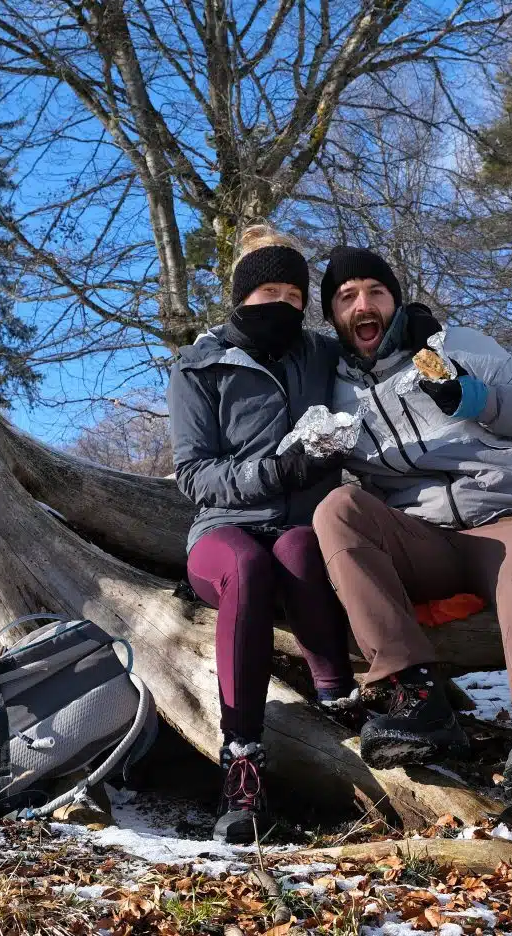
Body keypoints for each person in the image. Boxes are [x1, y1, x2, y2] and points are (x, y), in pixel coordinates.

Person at [311, 246, 512, 835]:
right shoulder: (330, 389)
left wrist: (473, 396)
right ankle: (415, 696)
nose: (363, 304)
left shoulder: (457, 345)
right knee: (338, 510)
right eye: (346, 297)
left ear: (395, 300)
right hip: (423, 534)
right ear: (333, 316)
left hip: (511, 515)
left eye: (375, 291)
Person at [168, 226, 356, 844]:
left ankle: (339, 698)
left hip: (301, 524)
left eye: (294, 294)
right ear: (242, 295)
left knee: (303, 547)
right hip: (223, 534)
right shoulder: (200, 366)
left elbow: (375, 351)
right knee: (247, 567)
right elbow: (194, 475)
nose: (283, 303)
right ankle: (242, 759)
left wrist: (410, 324)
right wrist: (273, 470)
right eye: (268, 289)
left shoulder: (321, 354)